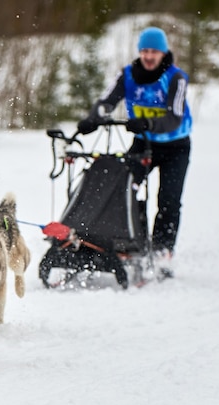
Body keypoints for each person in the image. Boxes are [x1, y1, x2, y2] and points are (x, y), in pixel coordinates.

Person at [77, 26, 192, 274]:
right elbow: (107, 101)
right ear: (139, 52)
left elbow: (175, 117)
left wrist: (149, 123)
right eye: (145, 51)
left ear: (163, 53)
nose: (149, 56)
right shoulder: (128, 75)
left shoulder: (176, 78)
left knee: (168, 199)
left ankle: (163, 248)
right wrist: (93, 119)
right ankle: (129, 240)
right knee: (123, 188)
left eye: (154, 52)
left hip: (175, 147)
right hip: (142, 144)